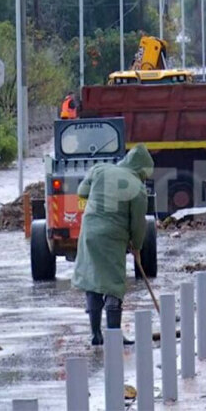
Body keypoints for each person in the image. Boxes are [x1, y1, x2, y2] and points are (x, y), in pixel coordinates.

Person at [72, 144, 154, 346]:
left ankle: (95, 334)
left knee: (92, 279)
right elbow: (138, 223)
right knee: (113, 283)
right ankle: (114, 335)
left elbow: (81, 192)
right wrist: (137, 246)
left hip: (90, 231)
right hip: (113, 237)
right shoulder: (137, 188)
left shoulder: (100, 169)